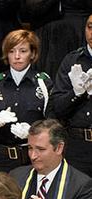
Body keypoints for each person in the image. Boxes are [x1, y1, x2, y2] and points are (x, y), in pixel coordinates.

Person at [0, 29, 53, 175]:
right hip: (0, 159)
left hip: (34, 159)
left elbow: (55, 124)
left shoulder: (43, 83)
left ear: (32, 54)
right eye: (11, 51)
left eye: (23, 51)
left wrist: (32, 133)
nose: (17, 56)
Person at [51, 14, 92, 178]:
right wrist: (76, 93)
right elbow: (58, 108)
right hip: (77, 145)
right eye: (90, 27)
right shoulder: (72, 60)